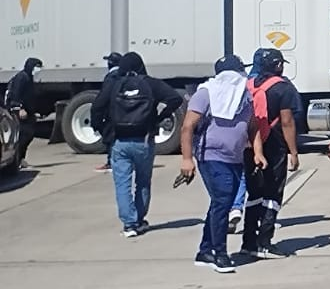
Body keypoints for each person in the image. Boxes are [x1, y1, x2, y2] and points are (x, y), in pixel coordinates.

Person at [91, 50, 183, 239]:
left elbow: (97, 107)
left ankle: (129, 224)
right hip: (143, 140)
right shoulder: (150, 84)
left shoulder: (114, 85)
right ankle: (140, 219)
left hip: (119, 141)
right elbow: (176, 98)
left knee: (122, 184)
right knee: (142, 182)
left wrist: (101, 129)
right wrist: (160, 117)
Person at [179, 55, 253, 273]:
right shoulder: (205, 94)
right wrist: (186, 159)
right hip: (211, 156)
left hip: (235, 157)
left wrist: (256, 151)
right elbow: (187, 126)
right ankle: (220, 254)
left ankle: (205, 250)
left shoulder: (243, 95)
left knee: (220, 203)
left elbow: (252, 124)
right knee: (223, 201)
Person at [241, 47, 300, 257]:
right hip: (273, 145)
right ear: (278, 65)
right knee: (273, 194)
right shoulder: (282, 88)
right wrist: (293, 151)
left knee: (254, 194)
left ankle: (248, 242)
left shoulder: (247, 86)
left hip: (249, 145)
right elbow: (287, 121)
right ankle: (265, 242)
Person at [4, 57, 42, 168]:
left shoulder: (29, 78)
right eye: (37, 67)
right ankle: (17, 159)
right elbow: (15, 94)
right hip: (20, 111)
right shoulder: (22, 78)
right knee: (24, 134)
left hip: (28, 111)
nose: (38, 70)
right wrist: (18, 107)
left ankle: (21, 158)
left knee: (29, 134)